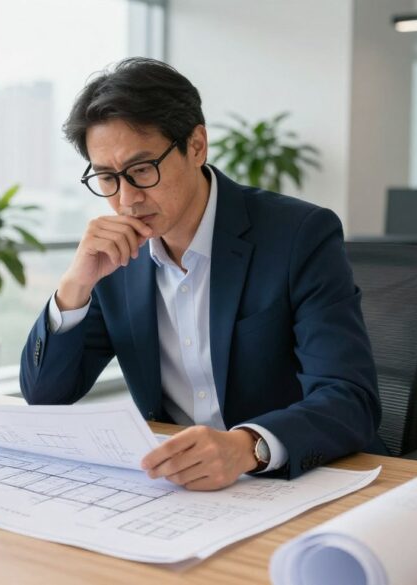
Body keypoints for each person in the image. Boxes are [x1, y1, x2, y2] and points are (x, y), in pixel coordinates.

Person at [19, 58, 383, 491]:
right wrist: (74, 287)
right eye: (107, 178)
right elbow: (45, 396)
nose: (127, 199)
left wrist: (249, 447)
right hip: (181, 493)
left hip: (292, 481)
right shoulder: (116, 258)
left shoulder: (298, 236)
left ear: (196, 146)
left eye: (141, 170)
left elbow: (350, 399)